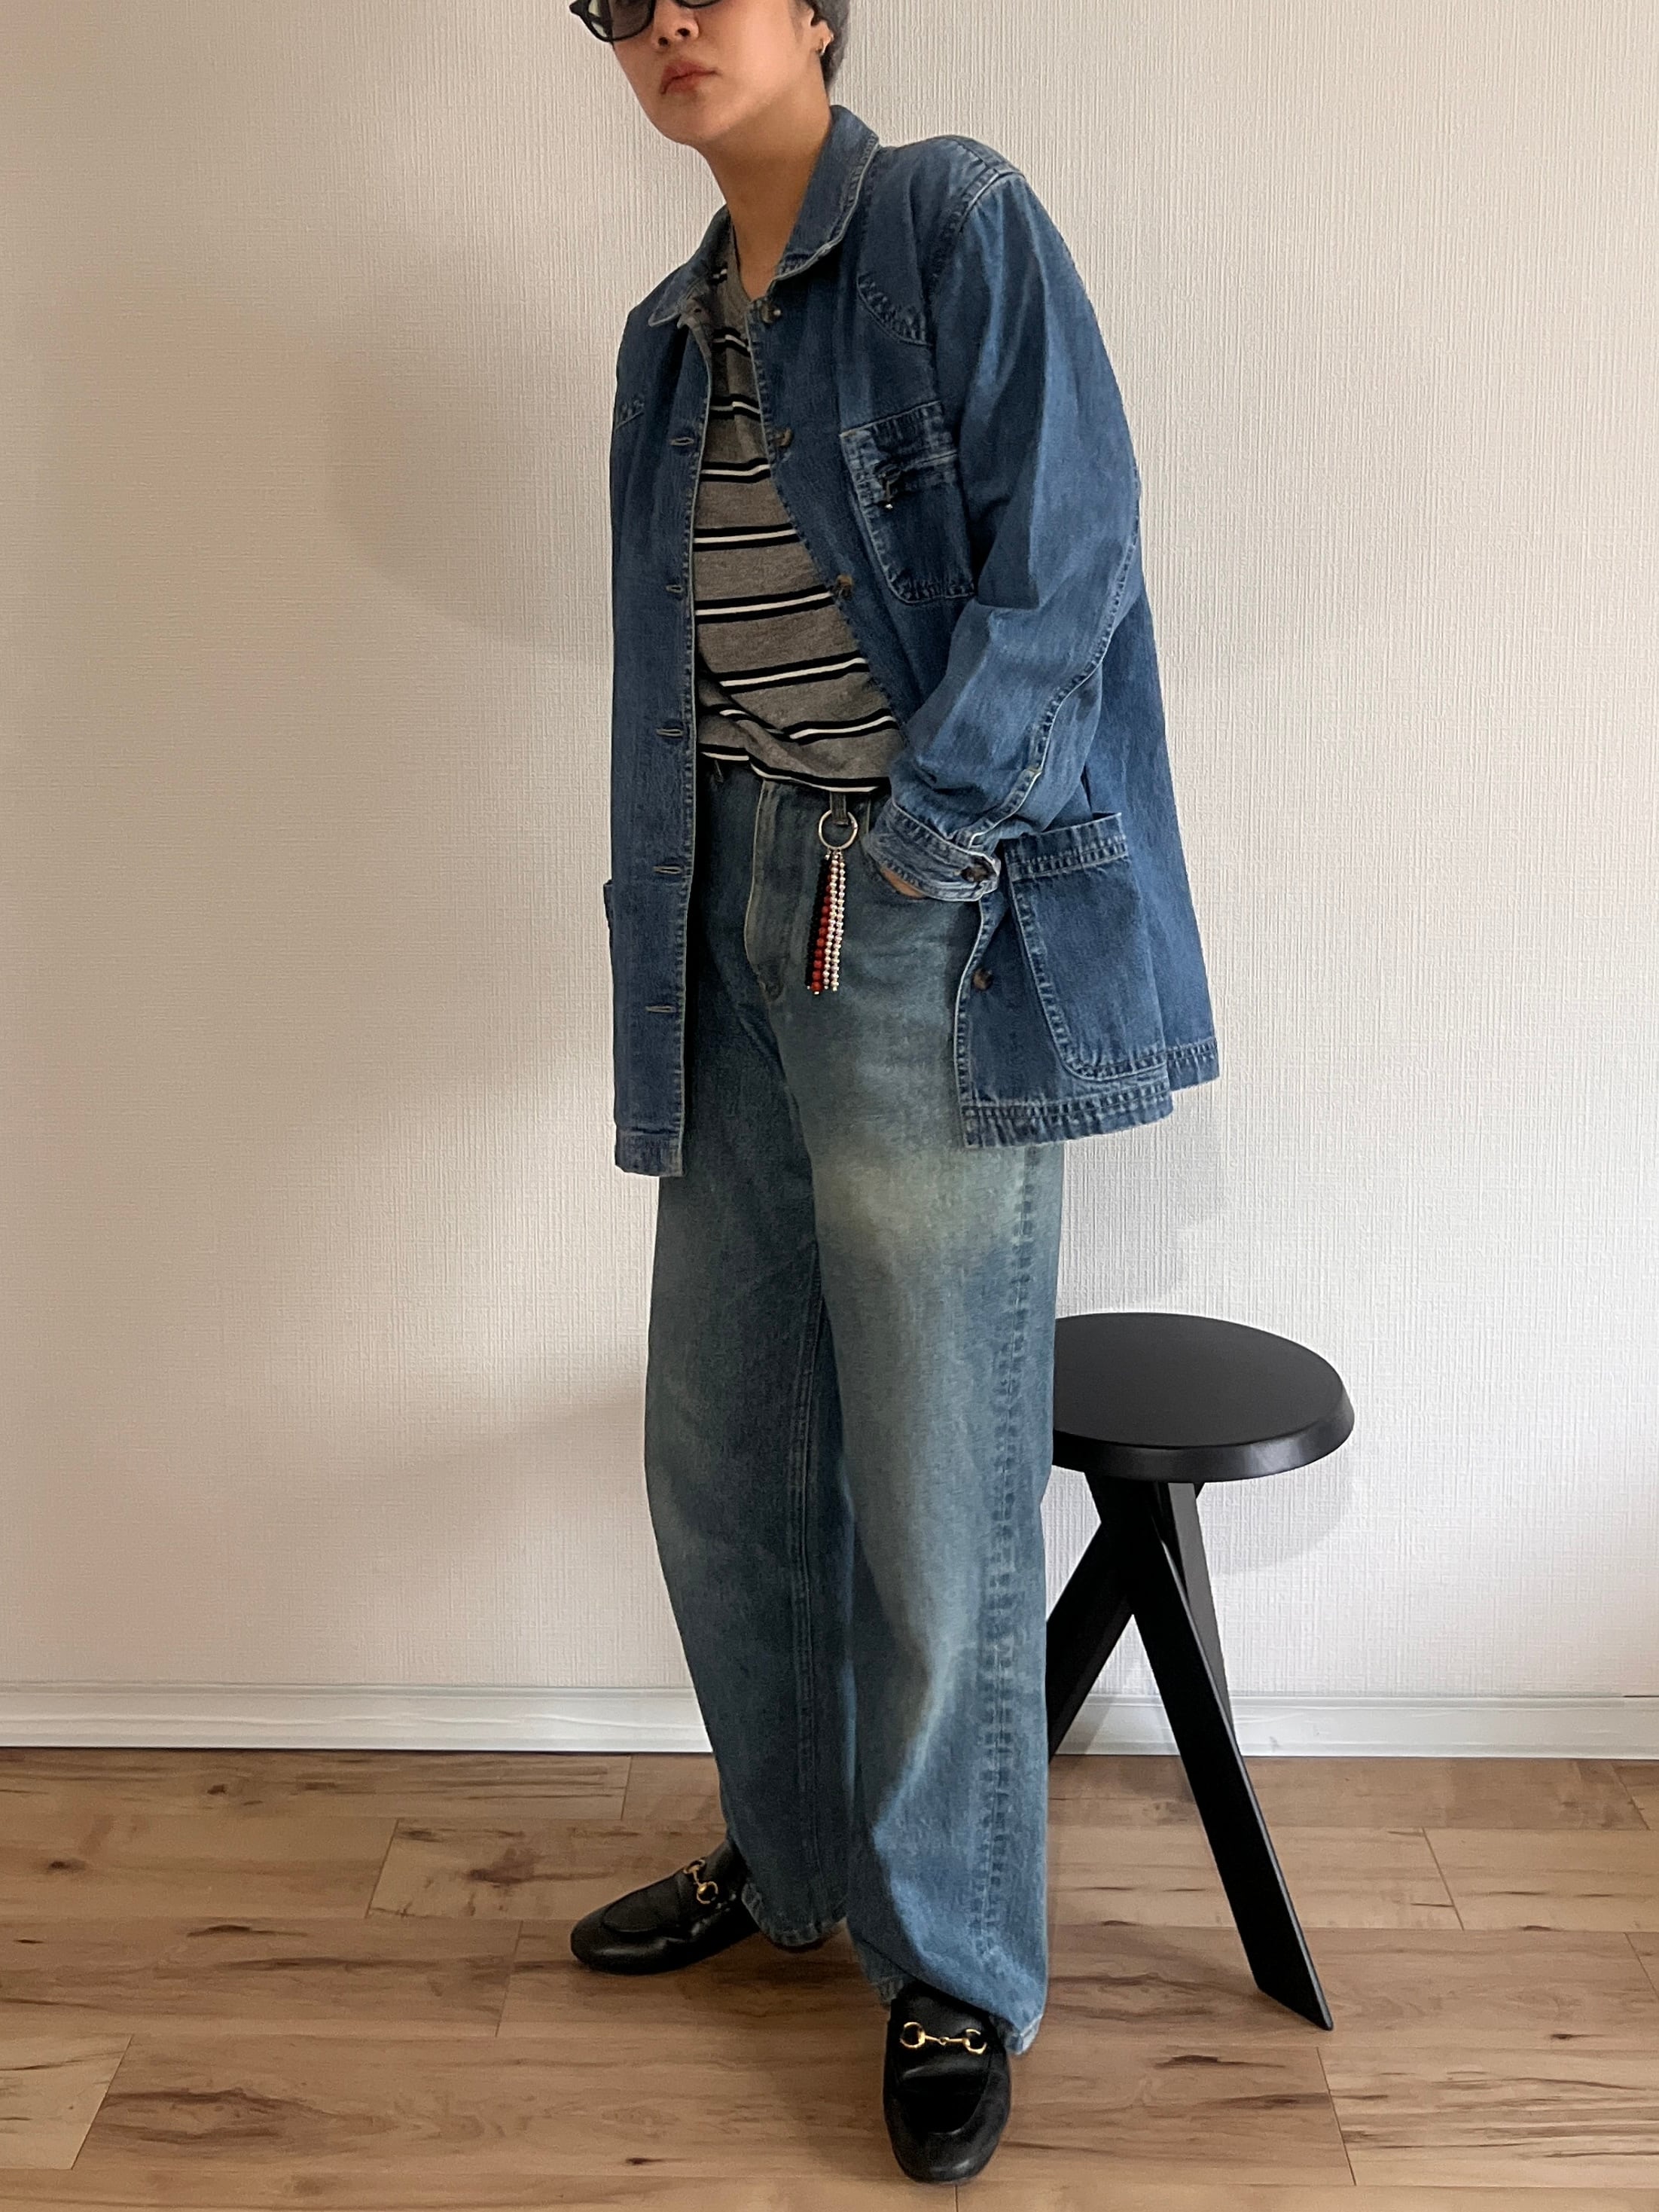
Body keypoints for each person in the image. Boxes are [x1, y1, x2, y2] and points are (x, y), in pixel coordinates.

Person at [567, 0, 1221, 2184]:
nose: (666, 20)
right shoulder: (668, 341)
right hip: (721, 912)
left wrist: (921, 848)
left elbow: (1072, 555)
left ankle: (953, 1965)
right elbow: (678, 683)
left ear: (824, 12)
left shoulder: (951, 218)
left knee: (932, 1486)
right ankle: (791, 1862)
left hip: (909, 907)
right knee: (723, 1453)